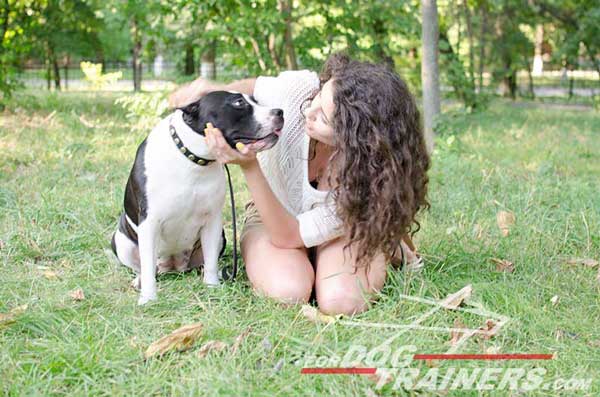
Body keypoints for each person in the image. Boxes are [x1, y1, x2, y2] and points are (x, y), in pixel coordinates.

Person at [168, 53, 430, 315]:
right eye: (319, 96)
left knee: (342, 301)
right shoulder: (301, 89)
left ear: (357, 139)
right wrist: (211, 90)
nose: (309, 111)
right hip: (272, 213)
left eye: (325, 119)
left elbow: (290, 235)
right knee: (289, 291)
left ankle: (383, 243)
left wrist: (249, 165)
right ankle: (317, 260)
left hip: (345, 224)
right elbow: (253, 89)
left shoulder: (367, 180)